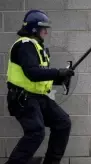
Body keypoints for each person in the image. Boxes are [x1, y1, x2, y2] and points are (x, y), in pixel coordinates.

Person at [5, 10, 74, 164]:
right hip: (23, 98)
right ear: (34, 29)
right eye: (44, 29)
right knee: (36, 132)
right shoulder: (25, 45)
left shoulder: (36, 46)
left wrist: (60, 78)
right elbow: (32, 73)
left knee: (63, 123)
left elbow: (39, 77)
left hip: (36, 96)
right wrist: (58, 72)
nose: (46, 32)